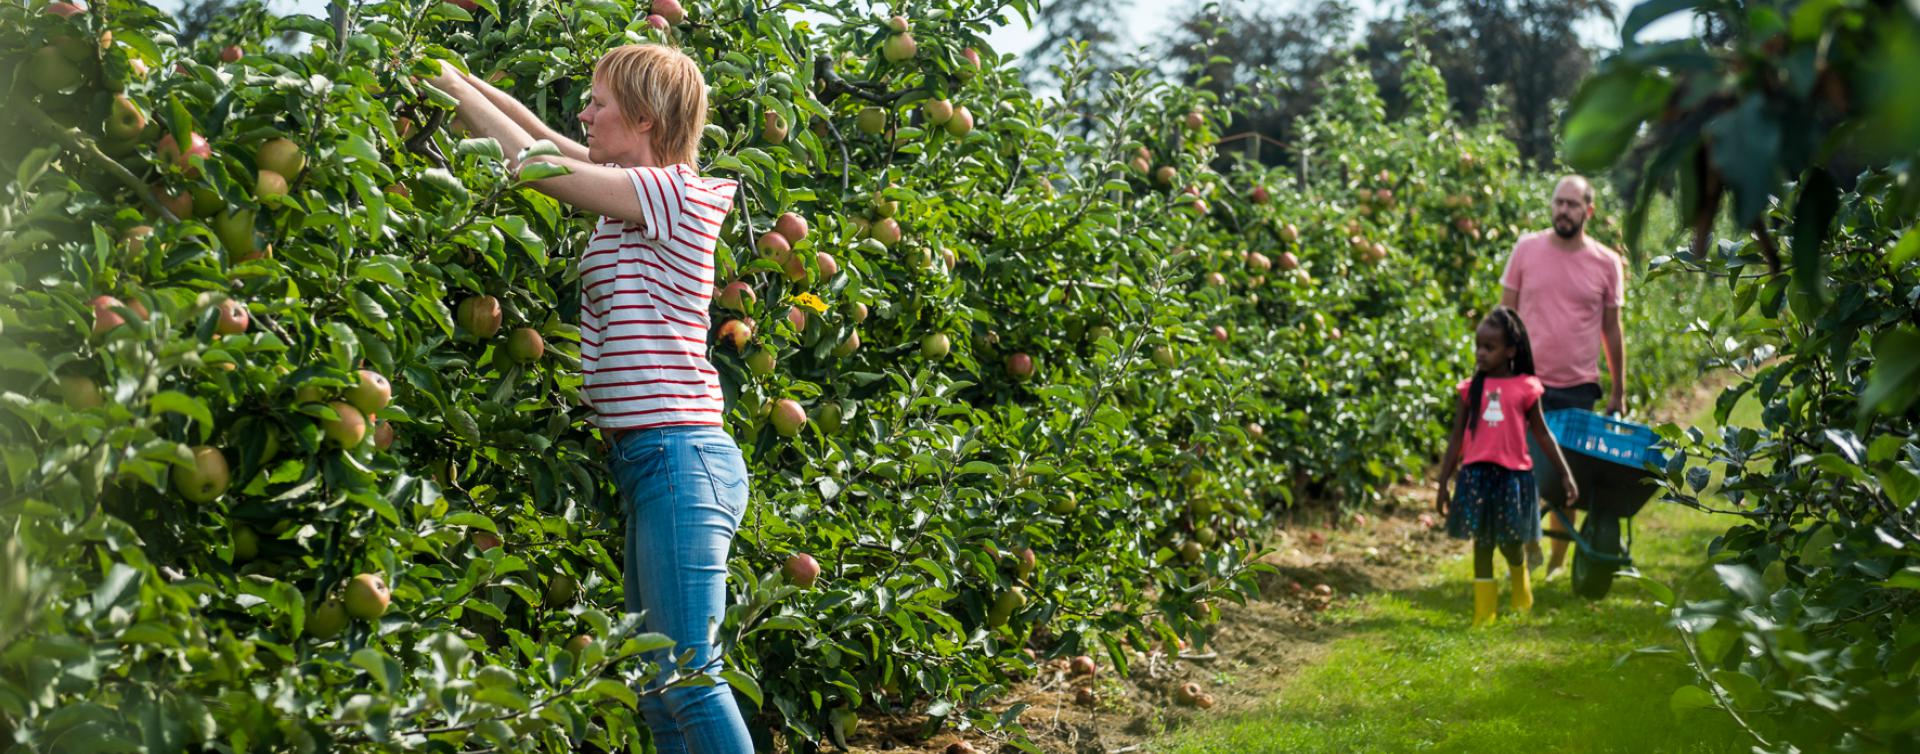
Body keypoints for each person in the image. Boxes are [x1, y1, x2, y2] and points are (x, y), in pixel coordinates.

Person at [427, 45, 754, 753]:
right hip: (651, 461)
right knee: (658, 685)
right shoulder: (632, 188)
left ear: (641, 116)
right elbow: (539, 140)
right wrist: (456, 72)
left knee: (690, 676)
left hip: (680, 456)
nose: (583, 113)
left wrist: (444, 84)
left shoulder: (675, 194)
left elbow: (531, 164)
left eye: (597, 102)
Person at [1499, 175, 1626, 579]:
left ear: (1588, 212)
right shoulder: (1526, 250)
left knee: (1564, 480)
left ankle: (1556, 561)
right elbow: (1505, 318)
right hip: (1525, 384)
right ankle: (1520, 556)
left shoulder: (1606, 262)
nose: (1563, 211)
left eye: (1572, 205)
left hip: (1576, 387)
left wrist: (1618, 389)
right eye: (1558, 203)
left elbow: (1612, 329)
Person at [1436, 307, 1578, 627]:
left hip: (1513, 477)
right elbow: (1456, 438)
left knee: (1511, 543)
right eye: (1478, 346)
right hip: (1476, 476)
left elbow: (1542, 433)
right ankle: (1484, 614)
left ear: (1510, 351)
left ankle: (1519, 582)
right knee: (1482, 543)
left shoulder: (1526, 387)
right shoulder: (1468, 389)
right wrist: (1443, 482)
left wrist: (1565, 473)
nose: (1481, 353)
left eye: (1490, 347)